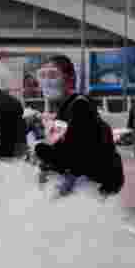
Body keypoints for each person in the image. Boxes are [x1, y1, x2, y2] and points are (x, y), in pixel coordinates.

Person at [34, 58, 124, 197]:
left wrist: (43, 152)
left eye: (52, 75)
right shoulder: (65, 108)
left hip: (97, 185)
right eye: (42, 75)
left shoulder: (79, 106)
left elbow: (78, 155)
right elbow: (60, 146)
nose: (46, 81)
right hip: (94, 182)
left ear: (69, 79)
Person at [0, 87, 27, 160]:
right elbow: (22, 114)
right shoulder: (16, 101)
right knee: (18, 164)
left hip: (4, 139)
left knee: (4, 164)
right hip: (19, 138)